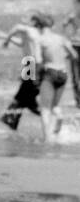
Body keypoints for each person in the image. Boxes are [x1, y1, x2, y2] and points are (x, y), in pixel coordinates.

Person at [32, 14, 77, 142]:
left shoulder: (40, 40)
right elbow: (74, 55)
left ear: (40, 26)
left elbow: (37, 60)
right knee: (55, 106)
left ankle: (47, 139)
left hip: (49, 73)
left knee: (45, 108)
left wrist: (33, 77)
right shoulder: (60, 38)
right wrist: (61, 58)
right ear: (52, 26)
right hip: (63, 74)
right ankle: (58, 120)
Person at [0, 12, 44, 133]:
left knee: (26, 91)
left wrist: (7, 40)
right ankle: (12, 118)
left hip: (32, 64)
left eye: (26, 17)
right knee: (26, 90)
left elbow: (16, 28)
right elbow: (21, 43)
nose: (22, 18)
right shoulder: (29, 33)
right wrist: (7, 38)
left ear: (34, 21)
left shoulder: (29, 29)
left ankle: (13, 117)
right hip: (29, 63)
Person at [61, 0, 80, 108]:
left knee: (75, 74)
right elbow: (64, 24)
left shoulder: (73, 15)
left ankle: (78, 101)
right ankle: (78, 100)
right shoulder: (73, 16)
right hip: (75, 44)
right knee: (75, 74)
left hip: (75, 44)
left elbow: (64, 24)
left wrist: (67, 37)